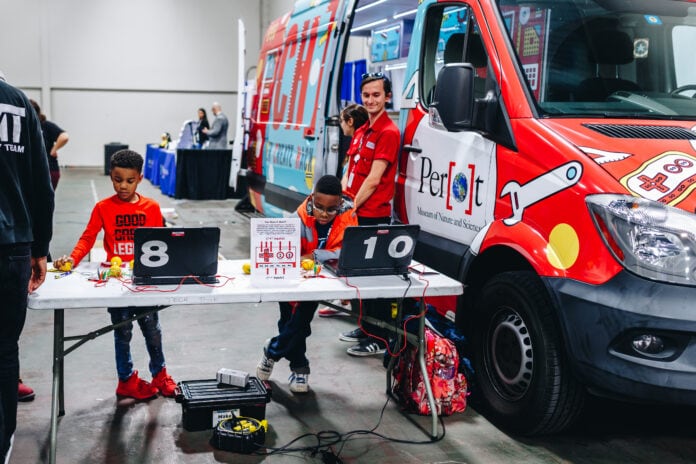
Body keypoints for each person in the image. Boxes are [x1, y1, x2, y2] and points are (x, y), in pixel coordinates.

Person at [52, 150, 177, 400]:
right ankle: (126, 380)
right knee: (123, 332)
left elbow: (164, 242)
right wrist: (72, 259)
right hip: (116, 284)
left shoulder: (151, 207)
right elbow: (88, 238)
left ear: (140, 178)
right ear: (111, 176)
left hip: (145, 282)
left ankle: (160, 374)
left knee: (153, 329)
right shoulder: (103, 207)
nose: (123, 186)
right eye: (118, 179)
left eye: (130, 181)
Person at [256, 175, 357, 393]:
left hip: (319, 281)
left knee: (299, 323)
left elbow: (347, 250)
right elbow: (285, 252)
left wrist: (315, 255)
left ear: (340, 204)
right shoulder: (297, 219)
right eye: (319, 207)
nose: (323, 214)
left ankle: (272, 351)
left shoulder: (349, 217)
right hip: (291, 279)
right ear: (312, 199)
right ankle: (299, 367)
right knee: (289, 322)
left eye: (331, 210)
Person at [0, 71, 55, 463]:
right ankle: (2, 442)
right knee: (4, 350)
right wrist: (40, 248)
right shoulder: (17, 102)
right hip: (12, 246)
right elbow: (40, 182)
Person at [339, 73, 400, 357]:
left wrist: (351, 206)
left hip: (371, 215)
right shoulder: (363, 130)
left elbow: (374, 179)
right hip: (354, 211)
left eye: (376, 95)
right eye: (367, 96)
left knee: (373, 279)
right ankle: (364, 327)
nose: (371, 100)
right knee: (358, 277)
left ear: (387, 97)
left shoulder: (389, 132)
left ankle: (378, 338)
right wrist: (342, 199)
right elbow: (350, 170)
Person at [317, 103, 369, 318]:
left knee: (346, 251)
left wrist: (351, 204)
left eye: (341, 120)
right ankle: (345, 299)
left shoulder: (364, 137)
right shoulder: (357, 139)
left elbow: (369, 178)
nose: (339, 125)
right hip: (349, 202)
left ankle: (348, 300)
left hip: (358, 207)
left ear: (350, 121)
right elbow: (349, 172)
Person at [28, 99, 69, 190]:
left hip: (48, 169)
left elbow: (64, 136)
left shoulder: (45, 125)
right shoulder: (24, 126)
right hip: (31, 170)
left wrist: (54, 149)